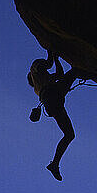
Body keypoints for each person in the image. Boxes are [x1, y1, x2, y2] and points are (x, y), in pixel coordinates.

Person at [27, 50, 79, 181]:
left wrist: (56, 57)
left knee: (69, 135)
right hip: (54, 94)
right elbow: (49, 64)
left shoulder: (39, 85)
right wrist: (52, 52)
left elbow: (59, 74)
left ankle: (55, 164)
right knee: (76, 71)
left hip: (52, 103)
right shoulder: (35, 68)